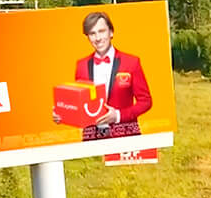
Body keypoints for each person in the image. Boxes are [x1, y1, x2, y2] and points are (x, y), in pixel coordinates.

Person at [61, 10, 153, 141]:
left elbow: (146, 102)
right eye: (92, 33)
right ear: (88, 37)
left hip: (125, 137)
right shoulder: (81, 66)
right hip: (92, 140)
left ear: (111, 32)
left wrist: (118, 116)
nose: (98, 38)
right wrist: (63, 114)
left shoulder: (131, 62)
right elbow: (81, 105)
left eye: (101, 31)